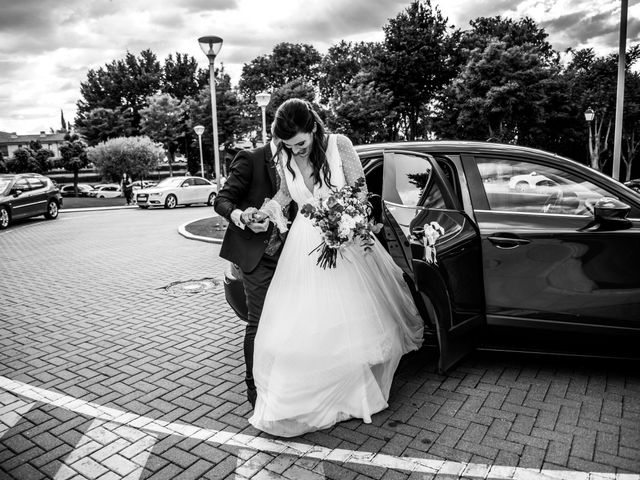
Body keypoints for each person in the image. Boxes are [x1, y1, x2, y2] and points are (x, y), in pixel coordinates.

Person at [249, 98, 424, 437]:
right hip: (303, 245)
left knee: (349, 320)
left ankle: (356, 396)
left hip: (344, 241)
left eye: (300, 143)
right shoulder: (285, 155)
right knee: (305, 320)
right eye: (288, 146)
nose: (296, 151)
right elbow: (286, 195)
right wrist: (266, 209)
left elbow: (359, 193)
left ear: (313, 128)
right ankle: (305, 392)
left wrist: (345, 222)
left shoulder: (339, 145)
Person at [213, 142, 289, 408]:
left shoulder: (299, 158)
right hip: (257, 257)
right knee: (258, 323)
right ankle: (253, 388)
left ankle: (281, 379)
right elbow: (221, 200)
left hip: (290, 255)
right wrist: (242, 217)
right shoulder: (251, 158)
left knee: (287, 321)